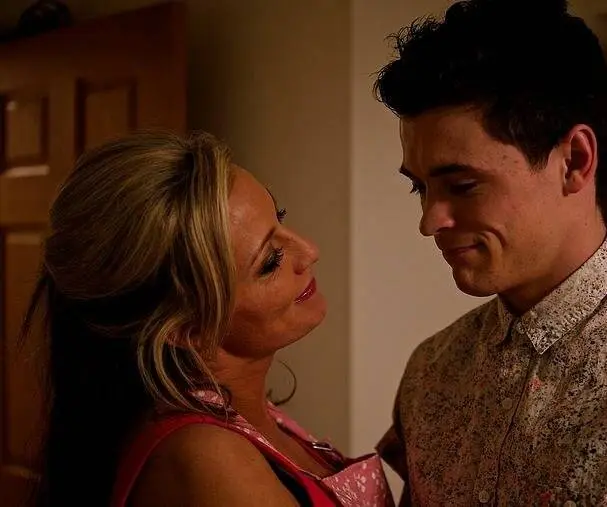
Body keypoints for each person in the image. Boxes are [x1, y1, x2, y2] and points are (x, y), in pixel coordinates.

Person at [22, 131, 394, 507]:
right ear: (188, 328)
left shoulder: (246, 416)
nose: (309, 251)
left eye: (279, 218)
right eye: (271, 261)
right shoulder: (208, 456)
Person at [374, 0, 607, 505]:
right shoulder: (430, 372)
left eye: (462, 185)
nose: (429, 222)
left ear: (574, 161)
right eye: (420, 188)